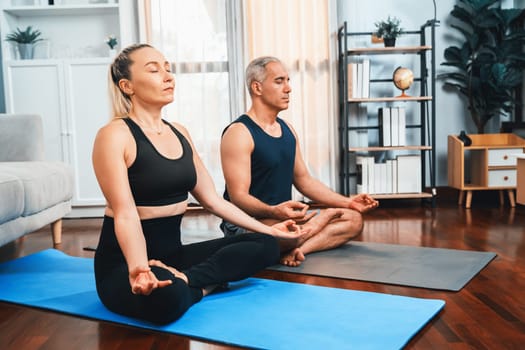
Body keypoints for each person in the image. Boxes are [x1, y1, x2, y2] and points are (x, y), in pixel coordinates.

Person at [92, 45, 306, 325]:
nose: (168, 76)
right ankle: (206, 285)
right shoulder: (114, 135)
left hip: (174, 257)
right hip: (124, 264)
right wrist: (140, 268)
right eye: (154, 70)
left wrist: (269, 229)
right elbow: (125, 213)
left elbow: (214, 201)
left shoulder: (179, 132)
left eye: (168, 68)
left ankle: (188, 281)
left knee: (266, 244)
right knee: (165, 299)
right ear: (127, 85)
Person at [220, 56, 379, 267]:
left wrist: (349, 202)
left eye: (288, 80)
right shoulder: (239, 133)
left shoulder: (287, 130)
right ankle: (297, 238)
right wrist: (274, 211)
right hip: (250, 222)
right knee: (277, 236)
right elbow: (238, 197)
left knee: (353, 219)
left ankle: (298, 249)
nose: (288, 89)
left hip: (286, 222)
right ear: (257, 88)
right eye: (279, 81)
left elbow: (304, 181)